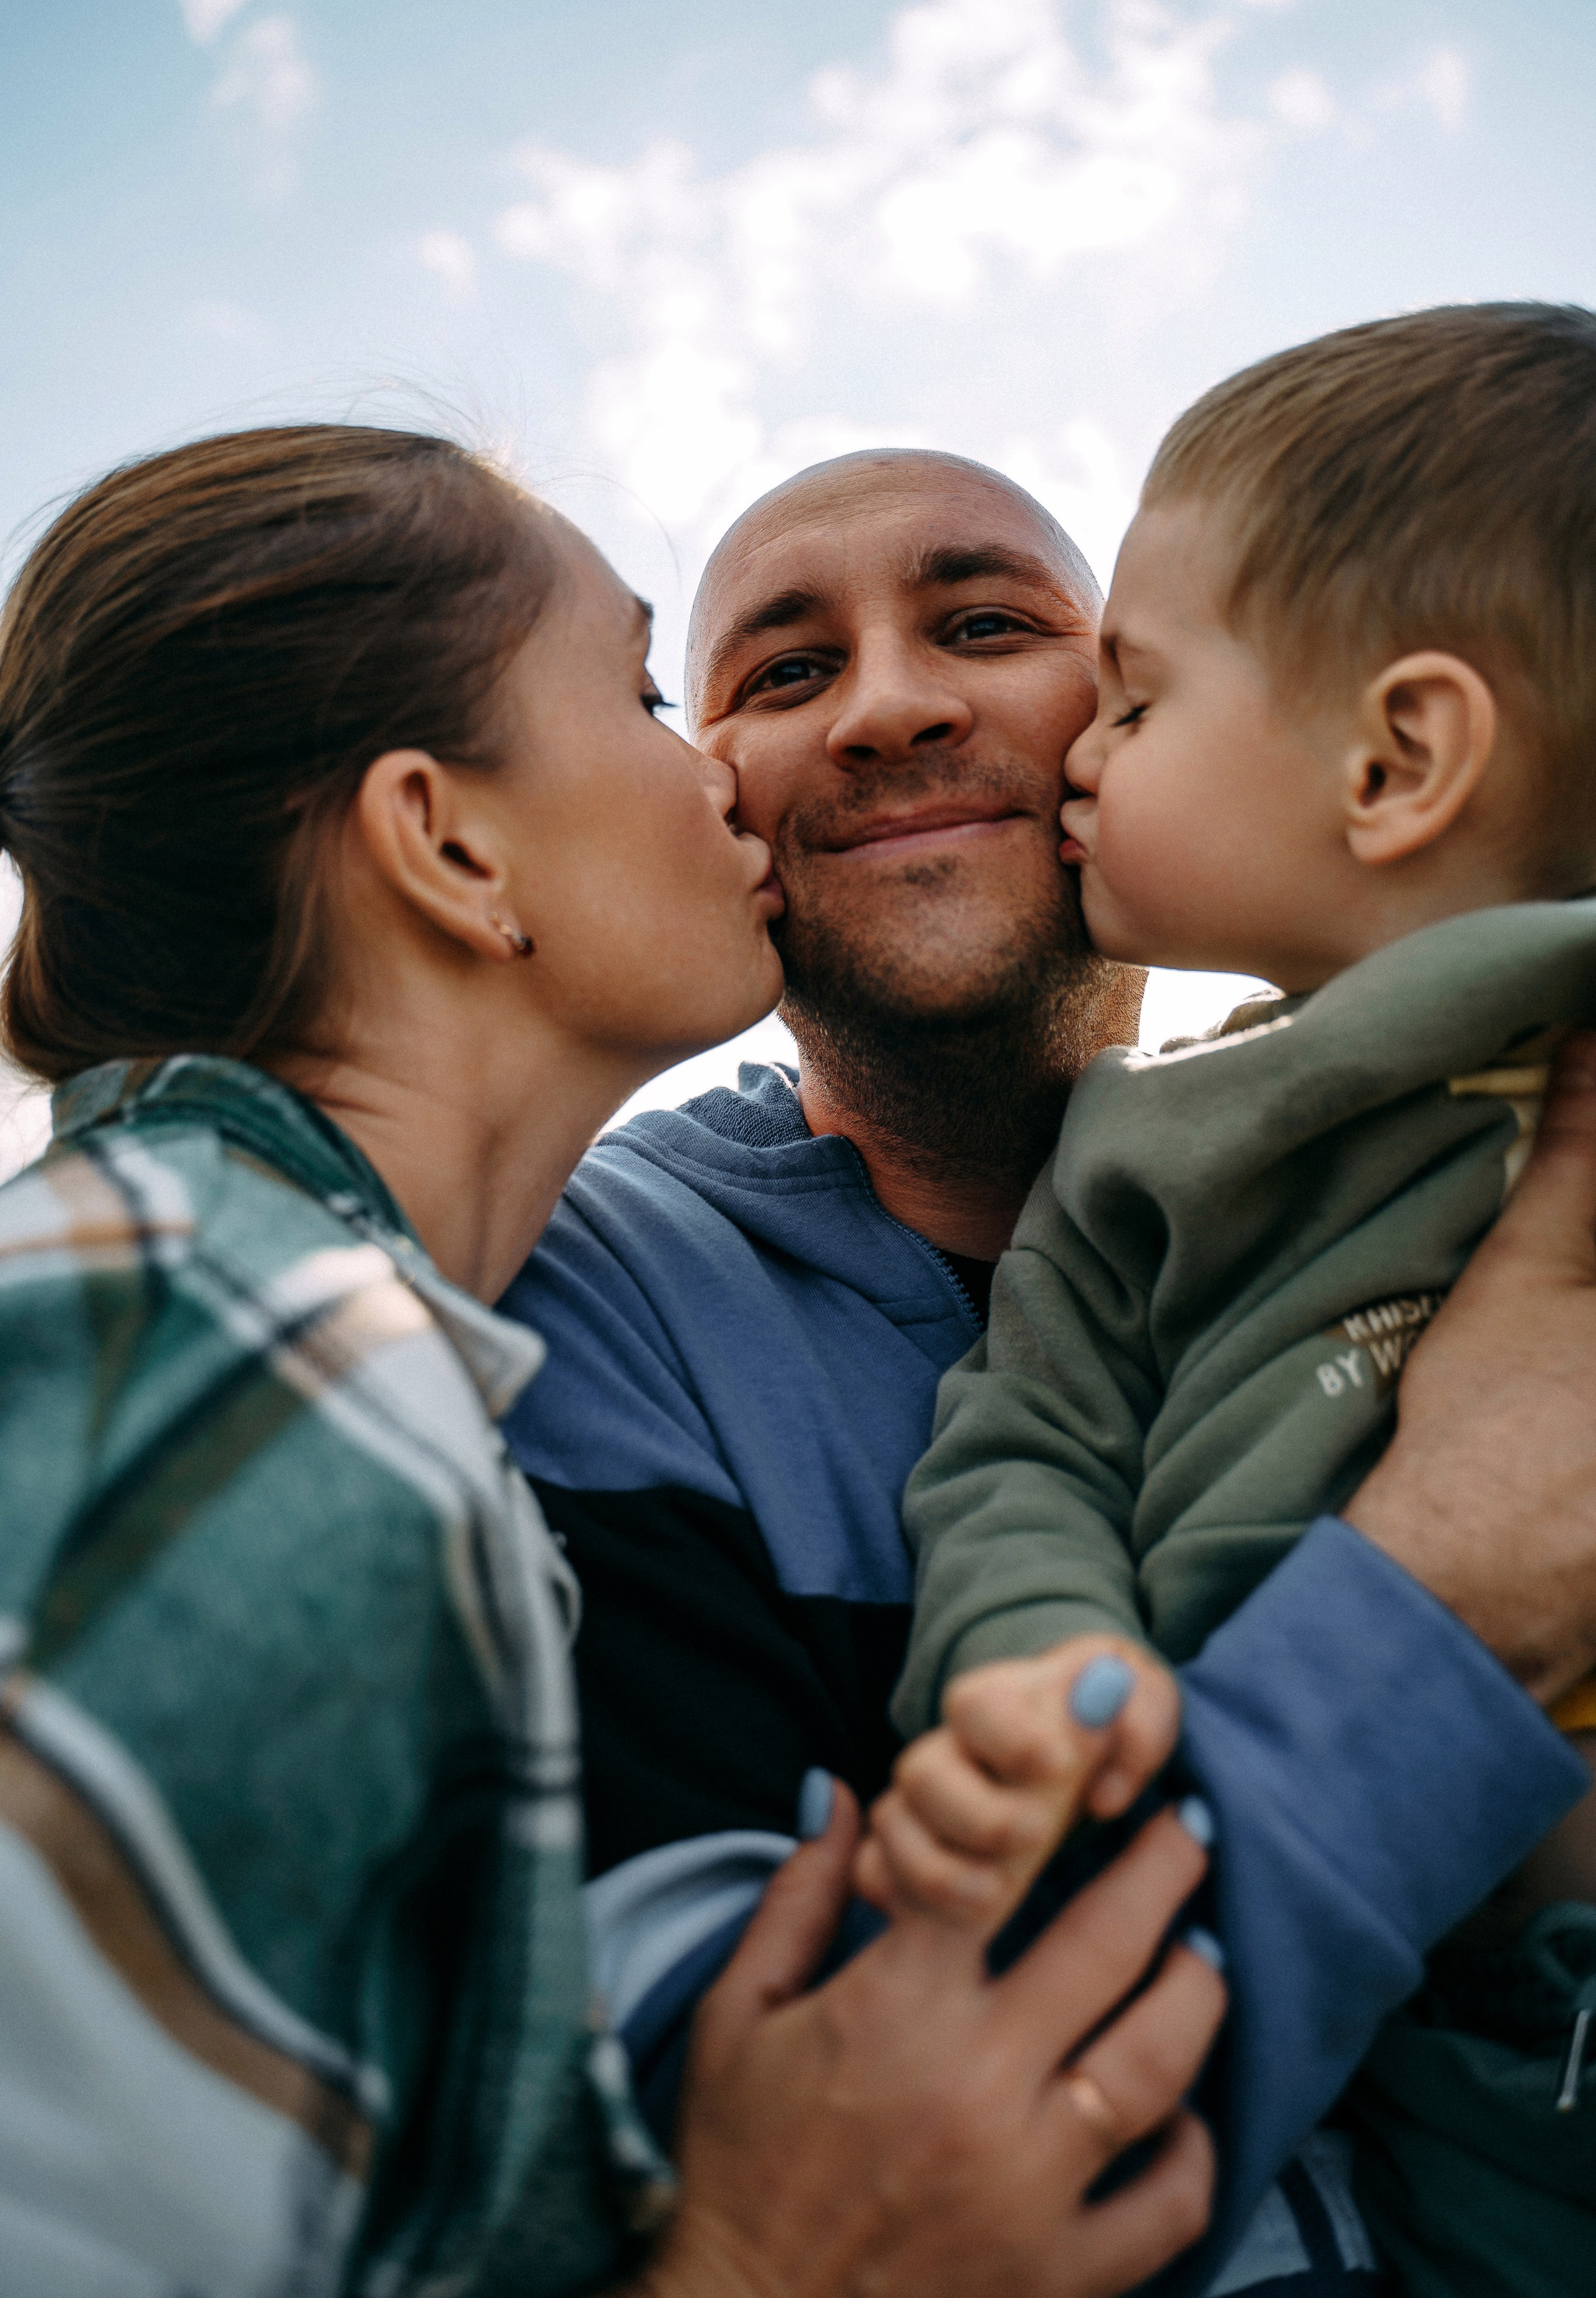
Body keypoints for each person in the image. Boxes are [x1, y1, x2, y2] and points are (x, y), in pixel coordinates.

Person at [0, 423, 1228, 2298]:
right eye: (672, 691)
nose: (841, 737)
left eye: (986, 622)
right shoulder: (236, 1331)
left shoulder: (382, 1348)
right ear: (447, 838)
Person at [497, 440, 1596, 2291]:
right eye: (782, 675)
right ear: (718, 804)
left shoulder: (1491, 1088)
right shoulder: (581, 1293)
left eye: (991, 625)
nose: (894, 709)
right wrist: (1458, 1601)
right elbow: (819, 2159)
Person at [895, 303, 1596, 2291]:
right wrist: (1032, 1660)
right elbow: (1025, 1438)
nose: (1084, 761)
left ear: (1396, 758)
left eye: (1133, 697)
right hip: (1436, 2053)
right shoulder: (1147, 1142)